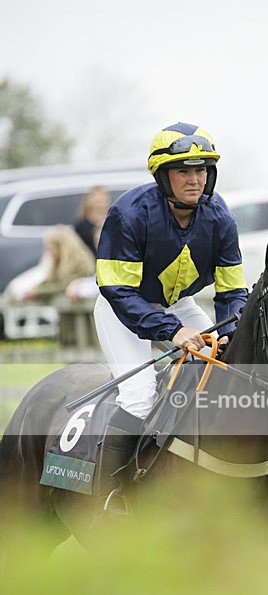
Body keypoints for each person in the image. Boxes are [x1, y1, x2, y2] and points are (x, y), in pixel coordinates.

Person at [93, 121, 248, 507]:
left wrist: (230, 330)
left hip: (179, 306)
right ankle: (111, 495)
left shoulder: (220, 217)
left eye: (201, 170)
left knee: (232, 376)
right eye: (184, 171)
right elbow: (118, 291)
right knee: (139, 396)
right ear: (163, 176)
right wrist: (173, 331)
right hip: (124, 310)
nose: (194, 179)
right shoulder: (128, 214)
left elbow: (232, 289)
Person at [22, 225, 95, 301]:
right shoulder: (56, 262)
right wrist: (34, 289)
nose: (50, 253)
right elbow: (50, 281)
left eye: (51, 248)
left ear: (62, 247)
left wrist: (38, 291)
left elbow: (64, 286)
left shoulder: (80, 262)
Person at [74, 185, 112, 257]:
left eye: (103, 197)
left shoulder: (112, 221)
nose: (100, 201)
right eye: (97, 198)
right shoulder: (82, 225)